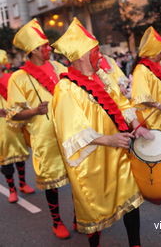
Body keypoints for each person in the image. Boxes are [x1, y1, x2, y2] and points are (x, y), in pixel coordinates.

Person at [52, 18, 152, 247]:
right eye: (96, 51)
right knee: (94, 211)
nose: (101, 56)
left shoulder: (102, 78)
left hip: (118, 153)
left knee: (131, 200)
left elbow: (121, 104)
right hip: (91, 161)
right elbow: (71, 132)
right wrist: (109, 139)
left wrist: (137, 126)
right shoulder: (65, 89)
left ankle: (135, 244)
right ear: (81, 56)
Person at [7, 19, 70, 239]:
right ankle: (56, 221)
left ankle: (83, 217)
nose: (49, 49)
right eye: (44, 46)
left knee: (79, 176)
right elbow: (13, 113)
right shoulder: (18, 78)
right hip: (44, 138)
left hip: (70, 130)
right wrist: (34, 111)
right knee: (51, 182)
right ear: (33, 51)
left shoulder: (59, 67)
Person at [0, 49, 34, 203]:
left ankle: (22, 183)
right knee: (5, 160)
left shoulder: (9, 79)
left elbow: (19, 100)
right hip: (1, 128)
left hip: (14, 123)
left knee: (20, 156)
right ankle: (12, 189)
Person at [131, 26, 161, 139]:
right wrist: (159, 105)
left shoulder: (156, 66)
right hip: (153, 119)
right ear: (153, 52)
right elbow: (141, 97)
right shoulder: (141, 70)